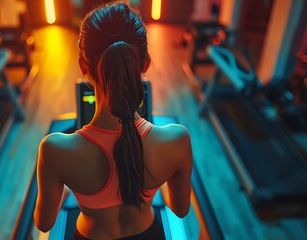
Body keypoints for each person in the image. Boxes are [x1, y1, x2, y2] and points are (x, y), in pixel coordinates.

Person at [34, 2, 193, 239]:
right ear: (145, 63)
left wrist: (65, 188)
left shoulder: (55, 150)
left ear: (83, 67)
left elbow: (44, 223)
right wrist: (157, 181)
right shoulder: (177, 140)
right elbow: (180, 209)